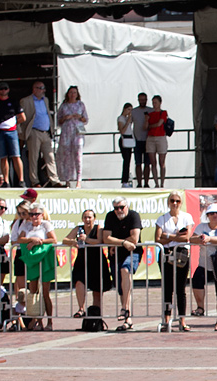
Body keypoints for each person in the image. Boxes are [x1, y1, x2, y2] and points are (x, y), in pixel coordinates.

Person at [190, 204, 217, 332]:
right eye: (212, 213)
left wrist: (209, 239)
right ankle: (200, 307)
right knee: (197, 281)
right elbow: (191, 239)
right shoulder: (201, 227)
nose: (215, 215)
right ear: (208, 215)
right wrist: (199, 238)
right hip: (205, 264)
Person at [62, 209, 113, 322]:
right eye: (85, 217)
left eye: (89, 217)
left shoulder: (98, 228)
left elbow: (100, 240)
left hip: (97, 259)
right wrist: (73, 242)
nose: (87, 220)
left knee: (97, 289)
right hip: (82, 259)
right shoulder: (79, 228)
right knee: (79, 282)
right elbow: (65, 239)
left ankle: (96, 312)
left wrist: (86, 239)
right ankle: (81, 308)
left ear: (94, 218)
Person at [100, 196, 142, 331]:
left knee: (125, 270)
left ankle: (125, 309)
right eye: (116, 208)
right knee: (120, 286)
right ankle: (127, 319)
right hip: (116, 254)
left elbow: (134, 238)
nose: (118, 210)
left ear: (127, 206)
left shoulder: (134, 216)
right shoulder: (110, 217)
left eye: (121, 207)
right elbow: (106, 238)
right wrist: (122, 243)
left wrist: (115, 242)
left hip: (133, 252)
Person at [155, 193, 193, 332]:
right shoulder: (162, 219)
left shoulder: (186, 217)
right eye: (172, 201)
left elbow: (187, 237)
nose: (175, 203)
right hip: (166, 254)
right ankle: (166, 319)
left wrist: (168, 236)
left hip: (182, 254)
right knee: (167, 287)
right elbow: (158, 238)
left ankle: (182, 320)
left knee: (180, 288)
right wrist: (176, 237)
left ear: (181, 203)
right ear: (168, 202)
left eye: (177, 201)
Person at [17, 202, 57, 330]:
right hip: (32, 260)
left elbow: (53, 240)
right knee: (33, 291)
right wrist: (31, 240)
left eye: (37, 214)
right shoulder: (26, 225)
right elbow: (20, 239)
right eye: (32, 214)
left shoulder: (46, 225)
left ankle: (49, 322)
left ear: (41, 214)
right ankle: (38, 321)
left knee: (45, 292)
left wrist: (39, 241)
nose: (34, 217)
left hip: (44, 259)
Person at [19, 81, 65, 188]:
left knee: (50, 156)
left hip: (45, 132)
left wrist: (51, 129)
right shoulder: (26, 101)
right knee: (33, 157)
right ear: (34, 89)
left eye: (43, 88)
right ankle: (34, 181)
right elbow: (21, 117)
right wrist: (22, 132)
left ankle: (54, 180)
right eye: (39, 88)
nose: (42, 90)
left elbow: (47, 114)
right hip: (34, 132)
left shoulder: (46, 100)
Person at [0, 82, 26, 187]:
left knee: (16, 156)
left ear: (8, 90)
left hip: (12, 131)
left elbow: (23, 117)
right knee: (3, 157)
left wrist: (12, 124)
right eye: (1, 89)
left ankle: (21, 180)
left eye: (5, 89)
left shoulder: (13, 102)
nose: (3, 91)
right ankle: (6, 181)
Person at [56, 86, 88, 188]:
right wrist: (66, 118)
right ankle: (67, 180)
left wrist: (79, 117)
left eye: (74, 92)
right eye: (71, 92)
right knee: (66, 157)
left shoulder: (81, 105)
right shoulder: (64, 106)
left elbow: (86, 119)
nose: (72, 94)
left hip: (77, 133)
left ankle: (79, 180)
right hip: (66, 132)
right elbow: (58, 121)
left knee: (78, 156)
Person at [146, 95, 169, 188]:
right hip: (151, 138)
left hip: (160, 137)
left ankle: (162, 182)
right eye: (153, 103)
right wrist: (148, 122)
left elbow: (159, 123)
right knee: (153, 162)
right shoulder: (149, 114)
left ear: (160, 103)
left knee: (162, 162)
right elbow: (145, 126)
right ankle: (156, 183)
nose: (154, 105)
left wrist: (150, 125)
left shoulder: (163, 113)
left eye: (155, 102)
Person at [9, 202, 31, 296]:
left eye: (24, 213)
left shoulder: (36, 222)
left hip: (34, 253)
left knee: (35, 282)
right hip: (21, 252)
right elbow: (13, 240)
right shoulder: (18, 223)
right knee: (21, 282)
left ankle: (34, 306)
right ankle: (22, 306)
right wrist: (24, 241)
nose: (22, 215)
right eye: (19, 213)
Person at [131, 93, 151, 188]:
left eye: (144, 99)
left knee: (147, 163)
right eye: (141, 99)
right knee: (138, 163)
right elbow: (128, 124)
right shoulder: (134, 112)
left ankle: (146, 183)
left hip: (148, 140)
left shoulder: (150, 111)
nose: (142, 101)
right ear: (138, 100)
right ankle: (139, 184)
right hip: (137, 140)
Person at [117, 102, 135, 187]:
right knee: (126, 159)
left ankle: (127, 178)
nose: (129, 111)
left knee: (129, 159)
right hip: (124, 139)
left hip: (130, 139)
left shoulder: (129, 118)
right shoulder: (121, 118)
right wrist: (127, 122)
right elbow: (122, 130)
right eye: (128, 109)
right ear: (124, 109)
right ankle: (124, 180)